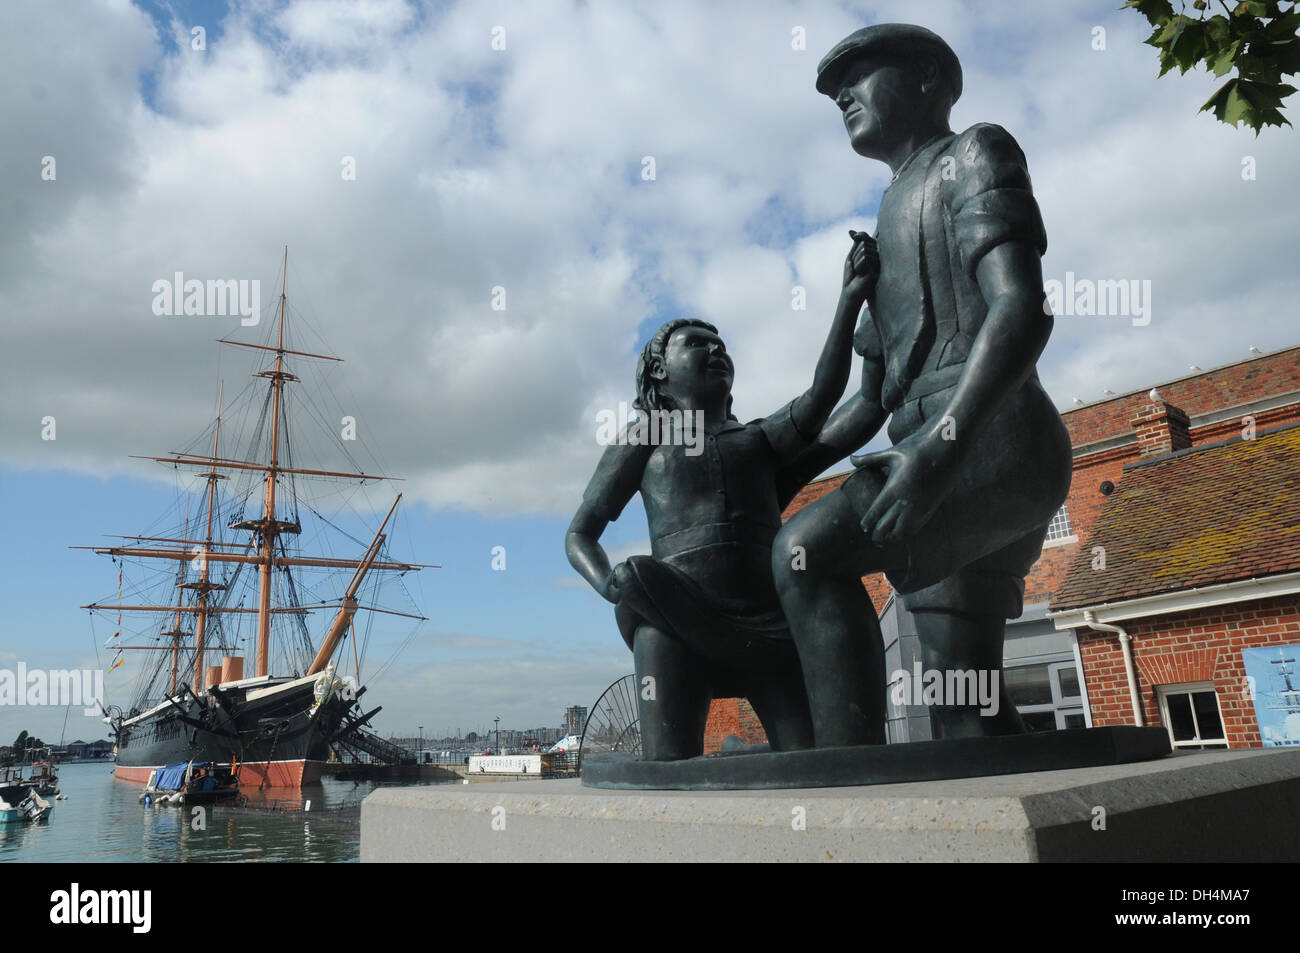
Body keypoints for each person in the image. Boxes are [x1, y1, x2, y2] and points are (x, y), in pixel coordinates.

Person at [770, 24, 1073, 746]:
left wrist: (936, 456)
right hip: (926, 457)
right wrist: (779, 474)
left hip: (991, 441)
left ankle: (842, 755)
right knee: (964, 712)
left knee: (802, 555)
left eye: (861, 73)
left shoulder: (974, 152)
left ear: (930, 77)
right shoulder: (881, 220)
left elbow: (1021, 309)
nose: (842, 94)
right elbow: (872, 401)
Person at [566, 235, 875, 760]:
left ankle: (739, 752)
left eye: (722, 347)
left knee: (808, 763)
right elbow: (580, 533)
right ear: (660, 371)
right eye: (696, 345)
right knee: (670, 771)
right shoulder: (643, 438)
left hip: (769, 626)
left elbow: (826, 398)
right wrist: (610, 586)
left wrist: (850, 300)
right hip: (673, 622)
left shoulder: (757, 440)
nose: (716, 351)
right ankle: (729, 754)